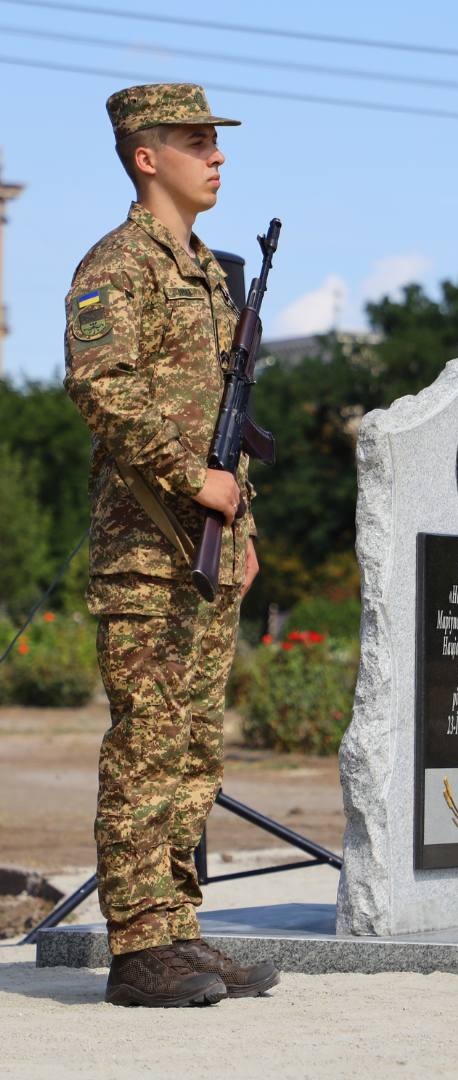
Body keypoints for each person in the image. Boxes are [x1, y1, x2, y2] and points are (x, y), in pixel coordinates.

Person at [64, 83, 279, 1005]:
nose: (217, 156)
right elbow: (99, 388)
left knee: (195, 751)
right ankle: (139, 946)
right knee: (148, 744)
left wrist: (243, 522)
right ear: (147, 157)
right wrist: (194, 485)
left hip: (208, 547)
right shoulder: (119, 263)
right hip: (146, 548)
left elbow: (229, 417)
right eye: (198, 142)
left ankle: (182, 929)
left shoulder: (207, 272)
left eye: (216, 142)